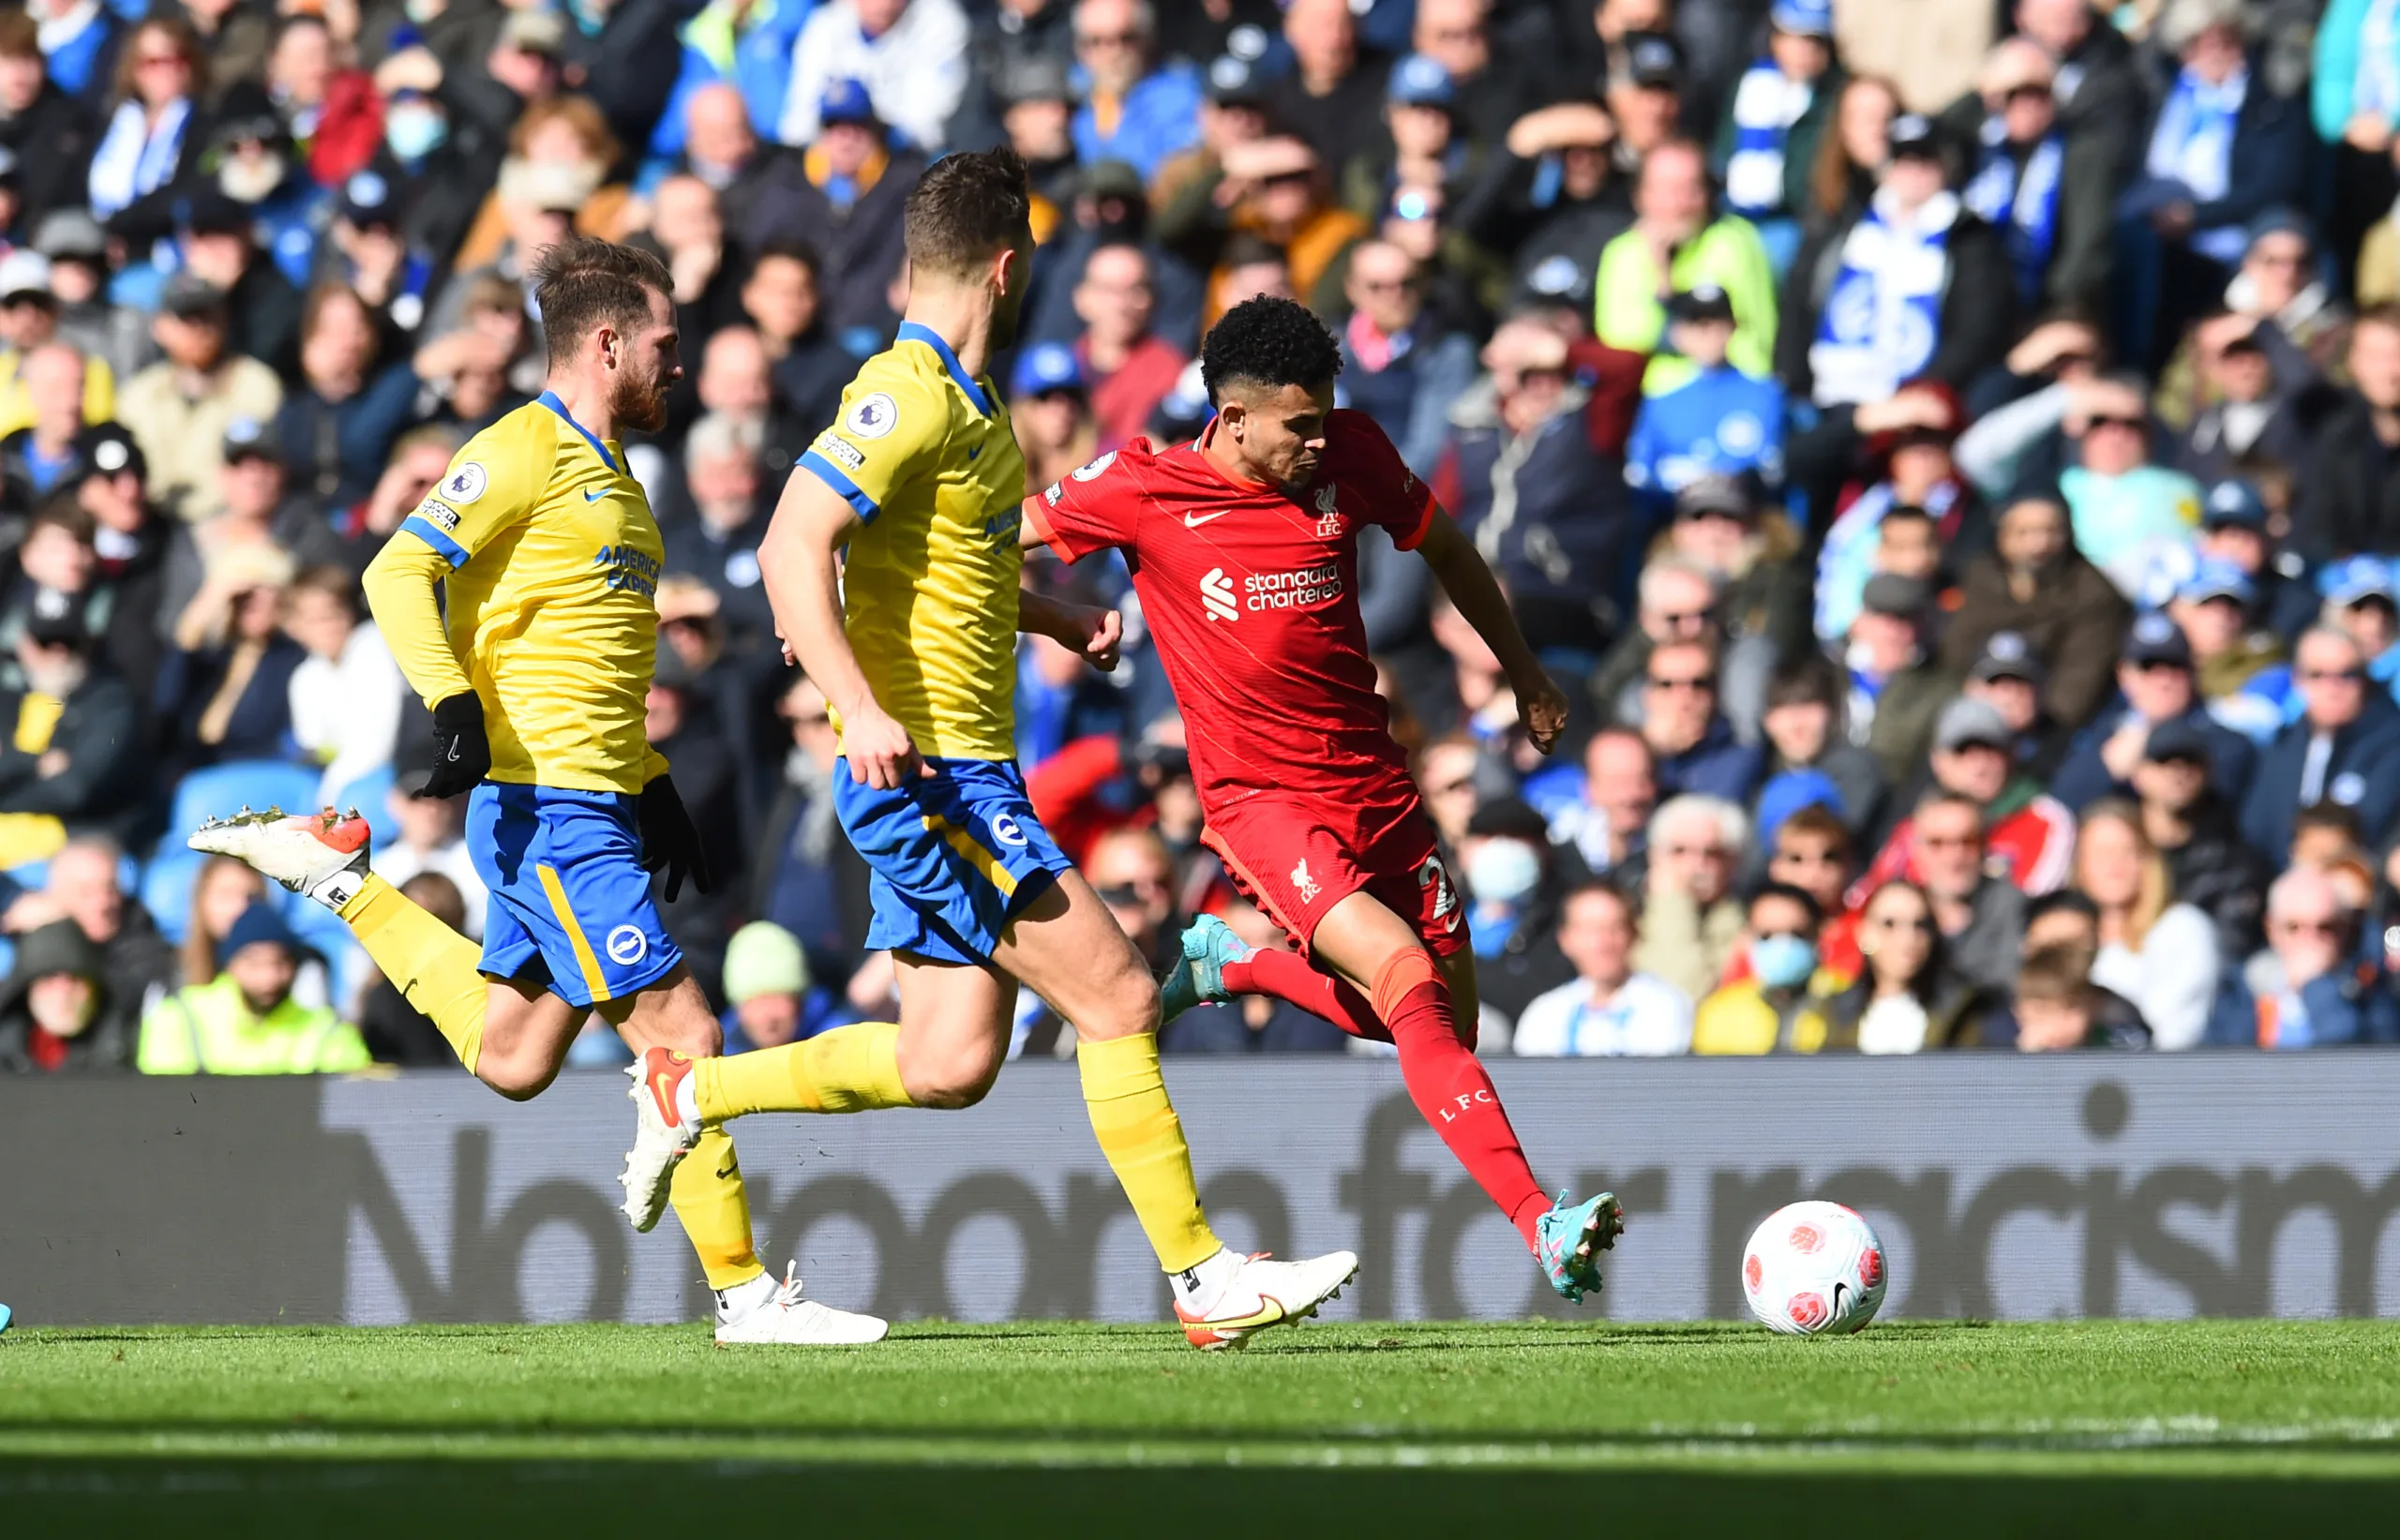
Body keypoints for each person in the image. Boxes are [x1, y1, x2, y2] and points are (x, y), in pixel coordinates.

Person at [189, 238, 878, 1348]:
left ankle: (339, 884)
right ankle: (746, 1296)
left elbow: (588, 655)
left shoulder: (614, 476)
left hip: (594, 798)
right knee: (685, 1033)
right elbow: (392, 571)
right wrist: (453, 707)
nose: (681, 365)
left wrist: (653, 783)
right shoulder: (522, 446)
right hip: (549, 807)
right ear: (607, 343)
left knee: (513, 1056)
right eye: (665, 344)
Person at [758, 153, 1358, 1347]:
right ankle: (1202, 1279)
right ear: (1008, 262)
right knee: (1122, 992)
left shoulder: (969, 402)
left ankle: (692, 1088)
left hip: (962, 765)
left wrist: (1053, 616)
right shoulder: (910, 392)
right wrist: (858, 704)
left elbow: (940, 567)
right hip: (930, 770)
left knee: (947, 1060)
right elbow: (789, 544)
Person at [1025, 292, 1626, 1307]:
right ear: (1234, 415)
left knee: (1438, 1025)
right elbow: (987, 545)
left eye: (1324, 415)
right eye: (1298, 423)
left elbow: (1445, 548)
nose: (1318, 438)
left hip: (1376, 782)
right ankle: (1541, 1218)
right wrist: (1055, 620)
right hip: (1263, 801)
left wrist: (1523, 672)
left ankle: (1238, 961)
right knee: (1403, 979)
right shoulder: (1142, 489)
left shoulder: (1348, 447)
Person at [1595, 139, 1777, 395]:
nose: (1679, 204)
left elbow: (1754, 345)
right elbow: (1622, 339)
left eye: (1691, 189)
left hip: (1726, 398)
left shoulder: (1734, 242)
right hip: (1650, 405)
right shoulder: (1623, 252)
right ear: (1639, 196)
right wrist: (1662, 279)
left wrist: (1670, 335)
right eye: (1665, 190)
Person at [135, 903, 369, 1074]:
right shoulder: (179, 1018)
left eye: (280, 962)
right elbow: (162, 1106)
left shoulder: (327, 1029)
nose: (268, 978)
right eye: (253, 962)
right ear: (230, 964)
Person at [2072, 799, 2222, 1051]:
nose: (2114, 865)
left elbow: (2175, 1034)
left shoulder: (2182, 929)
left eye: (2127, 851)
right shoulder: (2071, 932)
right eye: (2101, 852)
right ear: (2080, 864)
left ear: (2148, 860)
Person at [2242, 627, 2400, 860]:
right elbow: (2257, 831)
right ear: (2297, 680)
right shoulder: (2281, 747)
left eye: (2347, 675)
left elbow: (2374, 834)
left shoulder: (2391, 744)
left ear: (2365, 679)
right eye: (2317, 675)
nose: (2332, 688)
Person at [2207, 866, 2400, 1047]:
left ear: (2344, 931)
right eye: (2293, 927)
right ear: (2271, 929)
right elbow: (2226, 1063)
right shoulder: (2240, 988)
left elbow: (2349, 1060)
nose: (2309, 939)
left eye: (2325, 927)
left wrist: (2317, 986)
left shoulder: (2368, 991)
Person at [1510, 881, 1692, 1056]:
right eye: (1589, 930)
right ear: (1565, 939)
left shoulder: (1664, 1007)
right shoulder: (1544, 1014)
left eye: (1614, 928)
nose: (1602, 943)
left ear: (1633, 934)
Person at [1822, 877, 2000, 1051]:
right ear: (1864, 933)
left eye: (1920, 924)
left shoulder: (1962, 1010)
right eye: (1890, 924)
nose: (1908, 938)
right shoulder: (1832, 1011)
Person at [1692, 881, 1847, 1054]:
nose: (1783, 946)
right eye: (1767, 936)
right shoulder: (1719, 1012)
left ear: (1818, 934)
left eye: (1797, 934)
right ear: (1746, 938)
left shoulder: (1846, 1000)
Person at [0, 917, 134, 1074]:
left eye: (76, 980)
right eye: (49, 980)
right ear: (26, 992)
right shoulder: (8, 1057)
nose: (63, 993)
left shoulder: (131, 1048)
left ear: (98, 991)